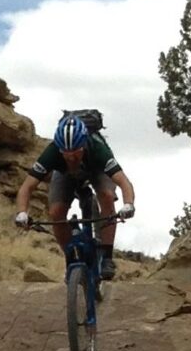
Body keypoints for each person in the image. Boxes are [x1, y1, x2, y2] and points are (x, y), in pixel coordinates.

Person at [14, 108, 136, 278]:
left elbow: (124, 182)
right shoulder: (52, 153)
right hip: (63, 174)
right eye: (66, 154)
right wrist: (21, 213)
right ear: (60, 149)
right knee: (56, 212)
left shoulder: (98, 149)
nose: (71, 158)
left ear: (84, 144)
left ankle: (107, 257)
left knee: (107, 196)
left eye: (76, 153)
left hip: (96, 170)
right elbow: (26, 187)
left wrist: (128, 204)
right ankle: (70, 258)